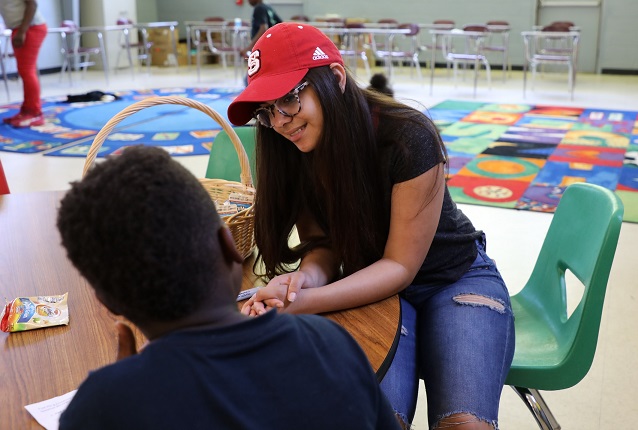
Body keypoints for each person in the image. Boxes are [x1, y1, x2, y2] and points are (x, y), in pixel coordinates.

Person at [227, 23, 515, 430]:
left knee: (463, 423)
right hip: (372, 290)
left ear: (336, 79)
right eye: (266, 110)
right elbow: (321, 243)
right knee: (375, 420)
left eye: (289, 98)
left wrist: (306, 303)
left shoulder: (408, 137)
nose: (280, 121)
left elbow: (400, 266)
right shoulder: (292, 147)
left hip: (454, 279)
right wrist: (303, 282)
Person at [56, 146, 401, 430]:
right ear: (230, 246)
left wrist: (122, 389)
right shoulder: (330, 343)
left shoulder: (100, 409)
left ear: (107, 302)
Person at [0, 0, 47, 127]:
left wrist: (22, 32)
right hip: (20, 28)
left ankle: (35, 113)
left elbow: (32, 4)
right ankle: (26, 110)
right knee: (24, 71)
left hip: (29, 28)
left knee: (27, 71)